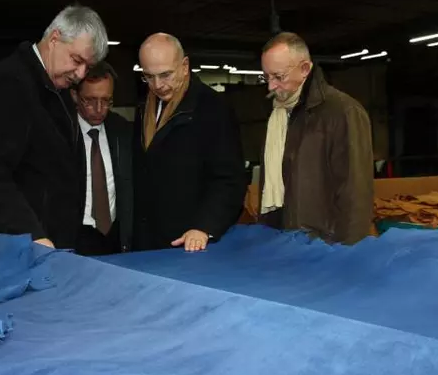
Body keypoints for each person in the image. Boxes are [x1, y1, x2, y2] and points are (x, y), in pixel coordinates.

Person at [0, 5, 108, 265]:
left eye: (87, 67)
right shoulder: (8, 83)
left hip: (48, 249)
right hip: (9, 253)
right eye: (77, 60)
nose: (81, 74)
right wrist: (32, 235)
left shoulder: (55, 89)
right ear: (55, 39)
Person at [132, 33, 247, 252]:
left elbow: (230, 179)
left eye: (165, 75)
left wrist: (204, 227)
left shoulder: (213, 109)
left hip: (190, 243)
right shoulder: (143, 108)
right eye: (148, 76)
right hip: (147, 243)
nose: (158, 85)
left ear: (185, 66)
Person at [258, 32, 374, 245]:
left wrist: (349, 251)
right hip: (283, 240)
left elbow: (356, 192)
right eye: (266, 77)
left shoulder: (343, 112)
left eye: (278, 76)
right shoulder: (279, 114)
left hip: (325, 245)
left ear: (304, 69)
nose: (270, 87)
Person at [70, 61, 133, 255]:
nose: (99, 109)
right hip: (75, 234)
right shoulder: (61, 131)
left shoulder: (123, 130)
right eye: (90, 100)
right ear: (74, 95)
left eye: (107, 100)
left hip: (115, 235)